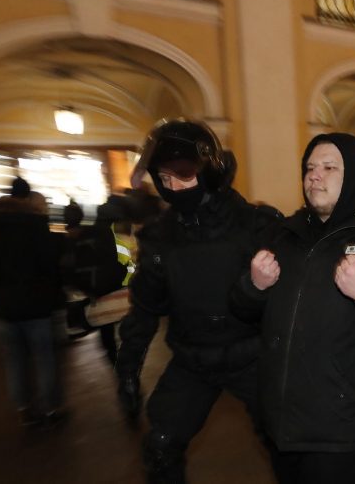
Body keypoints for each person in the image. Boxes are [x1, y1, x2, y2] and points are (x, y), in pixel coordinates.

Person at [229, 133, 355, 483]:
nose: (314, 175)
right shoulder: (282, 235)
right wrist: (254, 286)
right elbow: (240, 310)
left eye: (328, 167)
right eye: (309, 167)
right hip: (280, 423)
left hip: (340, 430)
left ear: (352, 176)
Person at [115, 118, 281, 483]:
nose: (172, 187)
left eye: (183, 175)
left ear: (208, 171)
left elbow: (293, 298)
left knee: (287, 443)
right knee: (160, 446)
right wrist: (127, 368)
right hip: (193, 359)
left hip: (253, 357)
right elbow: (144, 307)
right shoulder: (160, 237)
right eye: (164, 178)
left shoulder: (255, 224)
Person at [0, 178, 67, 428]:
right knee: (44, 357)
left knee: (15, 360)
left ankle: (24, 409)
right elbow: (50, 264)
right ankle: (50, 408)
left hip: (5, 306)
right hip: (37, 305)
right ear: (28, 199)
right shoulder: (36, 225)